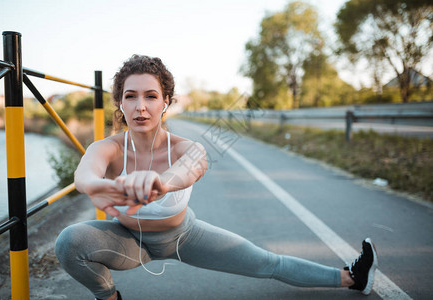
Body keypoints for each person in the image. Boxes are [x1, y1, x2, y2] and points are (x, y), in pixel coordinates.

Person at [55, 55, 378, 300]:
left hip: (186, 235)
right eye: (131, 96)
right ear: (120, 103)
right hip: (130, 241)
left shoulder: (187, 147)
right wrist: (99, 186)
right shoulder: (107, 148)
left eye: (151, 96)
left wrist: (160, 184)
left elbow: (190, 168)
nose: (141, 107)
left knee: (268, 263)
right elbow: (85, 173)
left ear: (166, 101)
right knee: (70, 241)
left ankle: (352, 278)